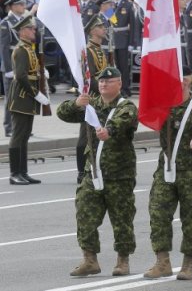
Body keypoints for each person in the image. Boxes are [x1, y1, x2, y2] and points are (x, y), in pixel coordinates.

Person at [57, 67, 139, 277]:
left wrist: (108, 131)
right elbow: (62, 113)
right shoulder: (91, 104)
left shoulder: (126, 106)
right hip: (92, 172)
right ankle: (89, 259)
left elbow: (123, 122)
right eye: (101, 82)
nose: (103, 84)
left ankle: (123, 260)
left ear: (119, 84)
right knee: (85, 215)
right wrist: (76, 103)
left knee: (121, 219)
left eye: (109, 81)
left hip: (119, 174)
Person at [143, 67, 192, 280]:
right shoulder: (165, 104)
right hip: (166, 169)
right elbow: (149, 115)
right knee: (158, 213)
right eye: (178, 76)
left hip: (190, 172)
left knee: (191, 219)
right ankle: (162, 261)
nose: (181, 80)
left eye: (185, 76)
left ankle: (188, 264)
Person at [7, 14, 49, 185]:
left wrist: (42, 73)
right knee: (18, 135)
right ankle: (14, 173)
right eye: (30, 28)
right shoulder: (20, 50)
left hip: (27, 97)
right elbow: (21, 76)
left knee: (24, 136)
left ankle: (23, 172)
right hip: (21, 97)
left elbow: (31, 72)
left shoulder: (29, 48)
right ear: (22, 31)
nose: (34, 30)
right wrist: (36, 94)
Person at [75, 16, 109, 184]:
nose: (104, 29)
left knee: (97, 134)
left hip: (101, 96)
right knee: (86, 134)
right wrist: (105, 89)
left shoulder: (100, 49)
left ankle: (95, 167)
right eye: (100, 26)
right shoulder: (88, 50)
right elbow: (90, 76)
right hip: (92, 97)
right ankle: (81, 171)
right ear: (93, 31)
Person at [1, 0, 26, 138]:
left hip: (22, 65)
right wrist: (9, 69)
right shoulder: (5, 23)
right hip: (11, 65)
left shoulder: (24, 20)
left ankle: (20, 126)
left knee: (22, 97)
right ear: (12, 6)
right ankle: (9, 127)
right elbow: (3, 48)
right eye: (20, 4)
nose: (23, 6)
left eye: (23, 4)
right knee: (10, 98)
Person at [108, 0, 137, 97]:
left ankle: (125, 88)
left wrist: (131, 43)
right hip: (111, 38)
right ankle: (115, 89)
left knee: (123, 66)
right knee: (113, 65)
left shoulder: (127, 5)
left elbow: (133, 25)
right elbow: (110, 22)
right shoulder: (109, 5)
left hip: (124, 39)